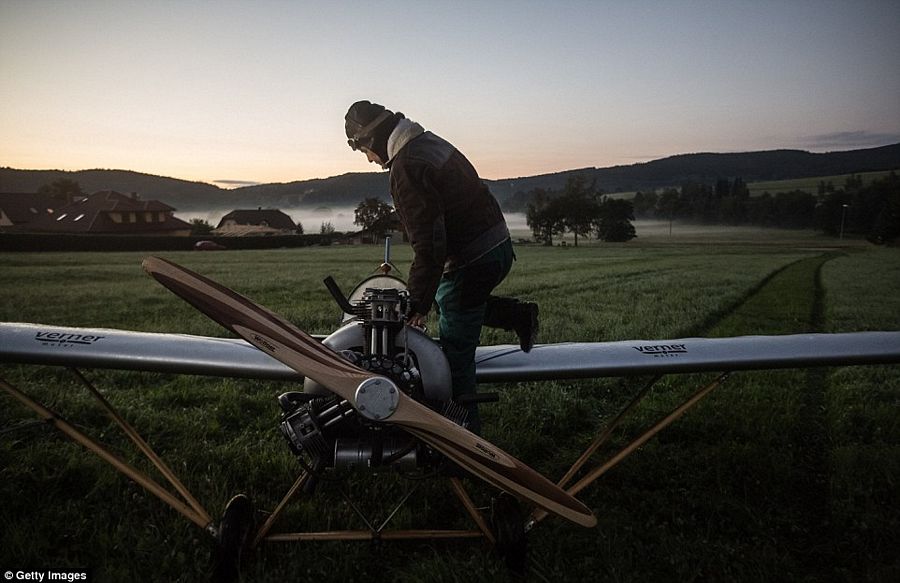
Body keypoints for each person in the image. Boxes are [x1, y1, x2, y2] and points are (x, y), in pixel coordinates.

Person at [345, 100, 538, 433]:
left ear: (371, 139)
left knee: (454, 356)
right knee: (456, 302)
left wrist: (416, 304)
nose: (369, 159)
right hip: (497, 246)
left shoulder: (406, 166)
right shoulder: (428, 142)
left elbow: (431, 245)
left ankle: (464, 439)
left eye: (362, 150)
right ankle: (519, 316)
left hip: (473, 258)